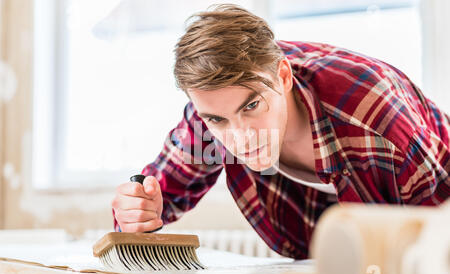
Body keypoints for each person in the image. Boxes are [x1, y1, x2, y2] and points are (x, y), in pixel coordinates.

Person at [110, 4, 449, 259]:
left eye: (251, 106)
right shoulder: (209, 116)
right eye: (217, 120)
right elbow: (153, 198)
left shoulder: (377, 120)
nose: (241, 137)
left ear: (284, 77)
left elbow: (435, 252)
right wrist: (136, 212)